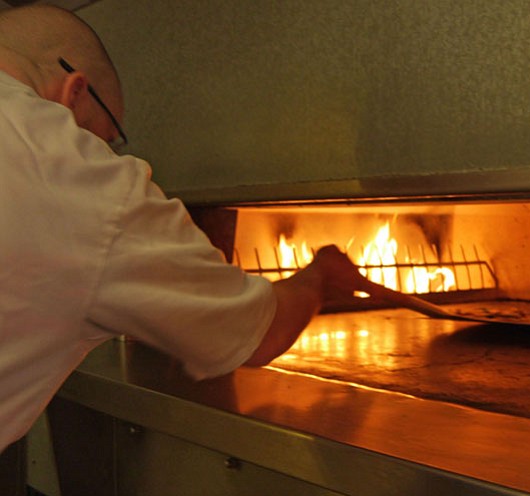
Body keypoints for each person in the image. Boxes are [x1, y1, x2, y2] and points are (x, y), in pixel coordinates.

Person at [0, 5, 378, 453]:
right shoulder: (74, 173)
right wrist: (321, 276)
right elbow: (259, 334)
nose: (104, 151)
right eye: (107, 136)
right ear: (76, 92)